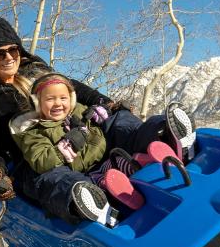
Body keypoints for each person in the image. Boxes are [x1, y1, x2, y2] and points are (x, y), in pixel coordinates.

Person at [0, 8, 196, 224]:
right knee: (51, 179)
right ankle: (88, 199)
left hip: (75, 132)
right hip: (37, 156)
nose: (8, 57)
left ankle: (163, 139)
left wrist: (105, 103)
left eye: (12, 49)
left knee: (115, 120)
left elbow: (73, 87)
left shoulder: (35, 70)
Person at [10, 73, 146, 222]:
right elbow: (40, 160)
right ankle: (91, 201)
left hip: (109, 162)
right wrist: (67, 146)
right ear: (37, 103)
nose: (58, 103)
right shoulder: (33, 131)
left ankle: (154, 137)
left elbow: (105, 130)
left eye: (63, 98)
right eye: (50, 99)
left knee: (119, 120)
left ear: (71, 99)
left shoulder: (81, 112)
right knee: (51, 178)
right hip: (79, 177)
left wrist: (104, 114)